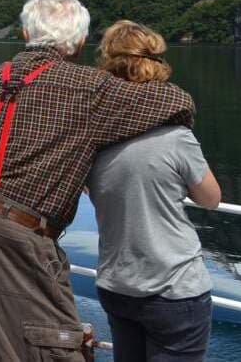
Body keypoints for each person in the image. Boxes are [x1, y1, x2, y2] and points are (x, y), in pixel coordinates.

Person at [0, 0, 197, 362]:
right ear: (78, 42)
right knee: (51, 348)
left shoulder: (2, 74)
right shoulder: (88, 86)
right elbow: (177, 101)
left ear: (26, 35)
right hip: (14, 233)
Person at [87, 20, 221, 362]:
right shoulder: (176, 138)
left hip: (116, 286)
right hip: (174, 290)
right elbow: (211, 199)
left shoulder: (93, 138)